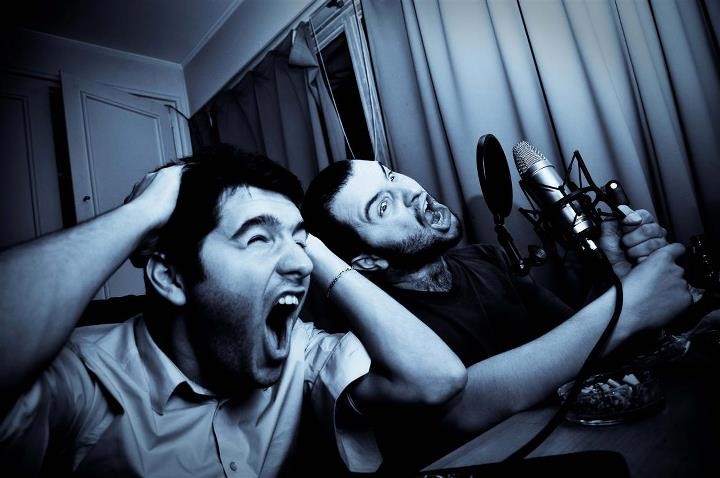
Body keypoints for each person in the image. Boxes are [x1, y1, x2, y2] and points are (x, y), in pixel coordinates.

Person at [0, 149, 467, 476]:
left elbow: (435, 380)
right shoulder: (86, 382)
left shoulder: (299, 353)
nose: (302, 265)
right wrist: (145, 212)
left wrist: (311, 246)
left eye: (300, 243)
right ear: (171, 277)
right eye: (258, 239)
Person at [302, 158, 692, 469]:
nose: (410, 190)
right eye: (384, 206)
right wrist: (629, 306)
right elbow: (461, 408)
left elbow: (580, 343)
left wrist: (616, 275)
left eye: (391, 175)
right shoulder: (373, 334)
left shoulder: (486, 258)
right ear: (367, 261)